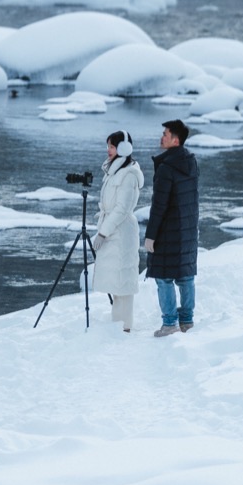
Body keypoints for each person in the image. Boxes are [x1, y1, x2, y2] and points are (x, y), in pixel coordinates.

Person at [144, 119, 199, 337]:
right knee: (185, 276)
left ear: (175, 140)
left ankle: (169, 324)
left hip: (168, 231)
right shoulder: (191, 162)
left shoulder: (166, 168)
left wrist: (150, 236)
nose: (162, 137)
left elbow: (159, 206)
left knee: (164, 277)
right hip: (187, 229)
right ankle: (186, 321)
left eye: (165, 133)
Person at [91, 129, 144, 332]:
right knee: (116, 282)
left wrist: (104, 231)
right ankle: (117, 324)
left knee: (123, 281)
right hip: (112, 228)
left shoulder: (129, 175)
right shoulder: (114, 170)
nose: (108, 150)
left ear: (124, 148)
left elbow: (122, 209)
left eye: (112, 146)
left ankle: (125, 327)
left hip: (121, 233)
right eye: (108, 146)